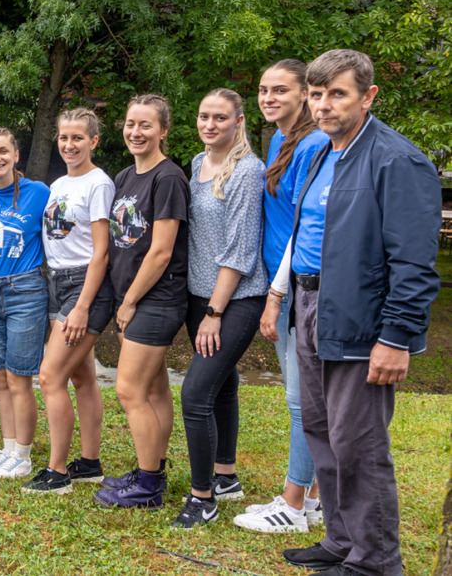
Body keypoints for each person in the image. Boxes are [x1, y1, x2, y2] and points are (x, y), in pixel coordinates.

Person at [264, 50, 440, 575]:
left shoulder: (396, 160)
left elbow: (414, 262)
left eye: (336, 94)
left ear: (368, 96)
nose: (323, 106)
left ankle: (376, 561)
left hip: (362, 318)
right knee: (321, 429)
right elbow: (305, 236)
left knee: (358, 442)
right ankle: (341, 542)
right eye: (316, 95)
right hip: (311, 303)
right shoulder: (319, 154)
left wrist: (396, 337)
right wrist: (286, 297)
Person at [234, 60, 327, 534]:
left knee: (301, 399)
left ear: (305, 95)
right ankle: (309, 498)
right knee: (303, 396)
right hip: (282, 282)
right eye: (263, 90)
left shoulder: (313, 144)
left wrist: (275, 294)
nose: (268, 97)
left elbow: (302, 227)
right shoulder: (280, 140)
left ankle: (292, 506)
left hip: (295, 287)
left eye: (281, 90)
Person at [171, 89, 267, 529]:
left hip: (235, 299)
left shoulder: (248, 171)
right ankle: (226, 477)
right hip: (198, 294)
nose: (210, 124)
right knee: (223, 386)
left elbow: (240, 249)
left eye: (220, 118)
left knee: (195, 395)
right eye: (204, 116)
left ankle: (202, 497)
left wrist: (214, 312)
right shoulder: (196, 163)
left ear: (239, 121)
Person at [92, 94, 189, 510]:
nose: (136, 132)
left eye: (146, 125)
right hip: (136, 295)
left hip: (158, 298)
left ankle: (148, 487)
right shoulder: (127, 175)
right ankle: (153, 468)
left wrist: (128, 301)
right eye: (131, 124)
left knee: (129, 389)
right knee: (154, 387)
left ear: (163, 131)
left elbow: (162, 250)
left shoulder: (168, 178)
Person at [21, 111, 116, 494]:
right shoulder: (58, 183)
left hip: (83, 286)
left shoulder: (99, 184)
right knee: (82, 376)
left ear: (93, 141)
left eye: (78, 138)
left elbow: (102, 252)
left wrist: (81, 306)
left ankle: (57, 472)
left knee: (49, 376)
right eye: (63, 137)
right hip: (56, 281)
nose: (69, 145)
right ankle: (90, 463)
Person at [0, 129, 51, 481]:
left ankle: (23, 454)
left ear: (16, 155)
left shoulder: (40, 193)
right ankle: (7, 449)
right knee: (0, 376)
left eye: (3, 151)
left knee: (20, 377)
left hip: (26, 290)